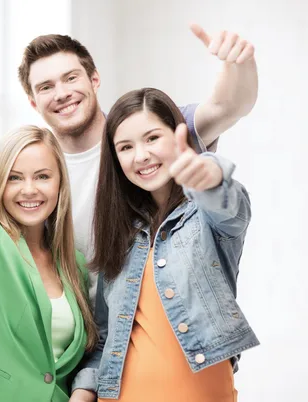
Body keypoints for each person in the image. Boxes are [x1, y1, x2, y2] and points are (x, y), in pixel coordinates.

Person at [17, 25, 258, 304]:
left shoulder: (152, 136)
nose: (61, 93)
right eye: (46, 87)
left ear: (94, 79)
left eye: (70, 78)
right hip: (85, 337)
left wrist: (239, 65)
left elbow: (226, 107)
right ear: (34, 103)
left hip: (154, 324)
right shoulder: (36, 174)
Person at [70, 88, 258, 401]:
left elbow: (231, 206)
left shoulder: (206, 216)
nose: (141, 155)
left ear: (177, 136)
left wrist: (209, 175)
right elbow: (105, 340)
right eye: (126, 147)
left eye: (152, 138)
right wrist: (82, 391)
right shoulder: (120, 236)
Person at [0, 108, 96, 402]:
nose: (29, 190)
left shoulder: (74, 264)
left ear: (60, 182)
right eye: (14, 178)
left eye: (42, 176)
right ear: (0, 183)